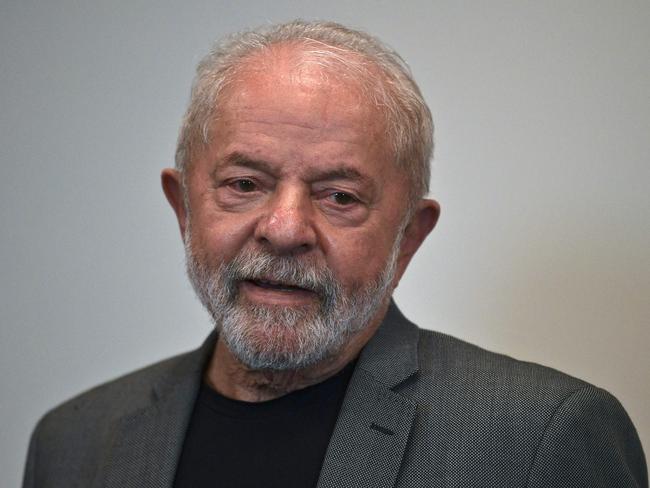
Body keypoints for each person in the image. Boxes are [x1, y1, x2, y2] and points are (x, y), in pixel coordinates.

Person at [23, 20, 646, 488]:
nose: (286, 228)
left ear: (409, 238)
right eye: (244, 184)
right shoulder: (74, 443)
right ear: (184, 209)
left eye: (340, 195)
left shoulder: (543, 438)